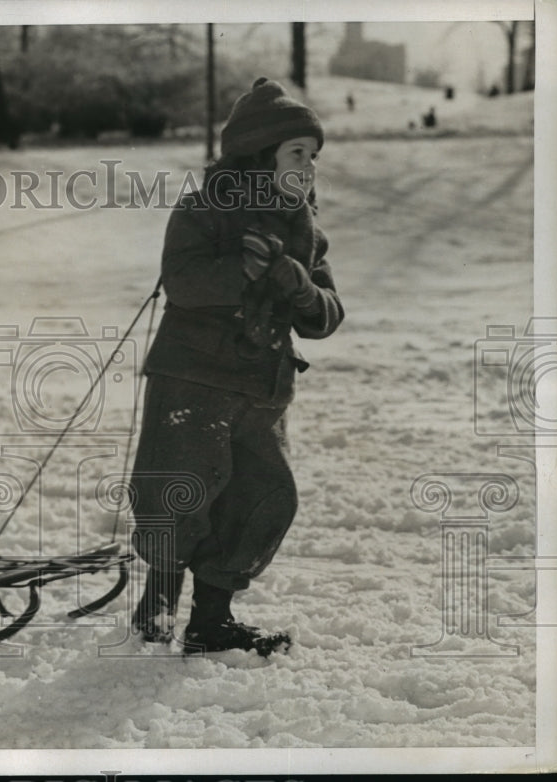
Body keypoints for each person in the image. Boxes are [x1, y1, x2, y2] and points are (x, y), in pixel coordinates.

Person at [129, 77, 345, 655]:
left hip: (261, 389)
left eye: (313, 156)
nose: (309, 166)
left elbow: (326, 317)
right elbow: (182, 280)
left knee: (263, 495)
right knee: (179, 491)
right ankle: (155, 611)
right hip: (194, 379)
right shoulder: (206, 208)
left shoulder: (305, 229)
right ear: (258, 154)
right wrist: (241, 272)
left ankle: (211, 622)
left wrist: (301, 288)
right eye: (297, 153)